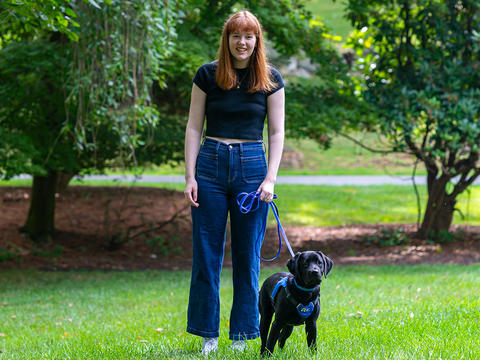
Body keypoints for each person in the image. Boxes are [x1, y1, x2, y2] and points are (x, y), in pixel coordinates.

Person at [183, 9, 285, 355]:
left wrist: (270, 178)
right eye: (236, 35)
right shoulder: (207, 75)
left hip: (253, 169)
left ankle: (242, 334)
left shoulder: (270, 79)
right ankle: (207, 334)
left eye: (249, 36)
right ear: (227, 39)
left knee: (247, 256)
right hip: (210, 165)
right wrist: (189, 176)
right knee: (207, 255)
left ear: (257, 41)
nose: (242, 42)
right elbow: (195, 127)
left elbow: (277, 132)